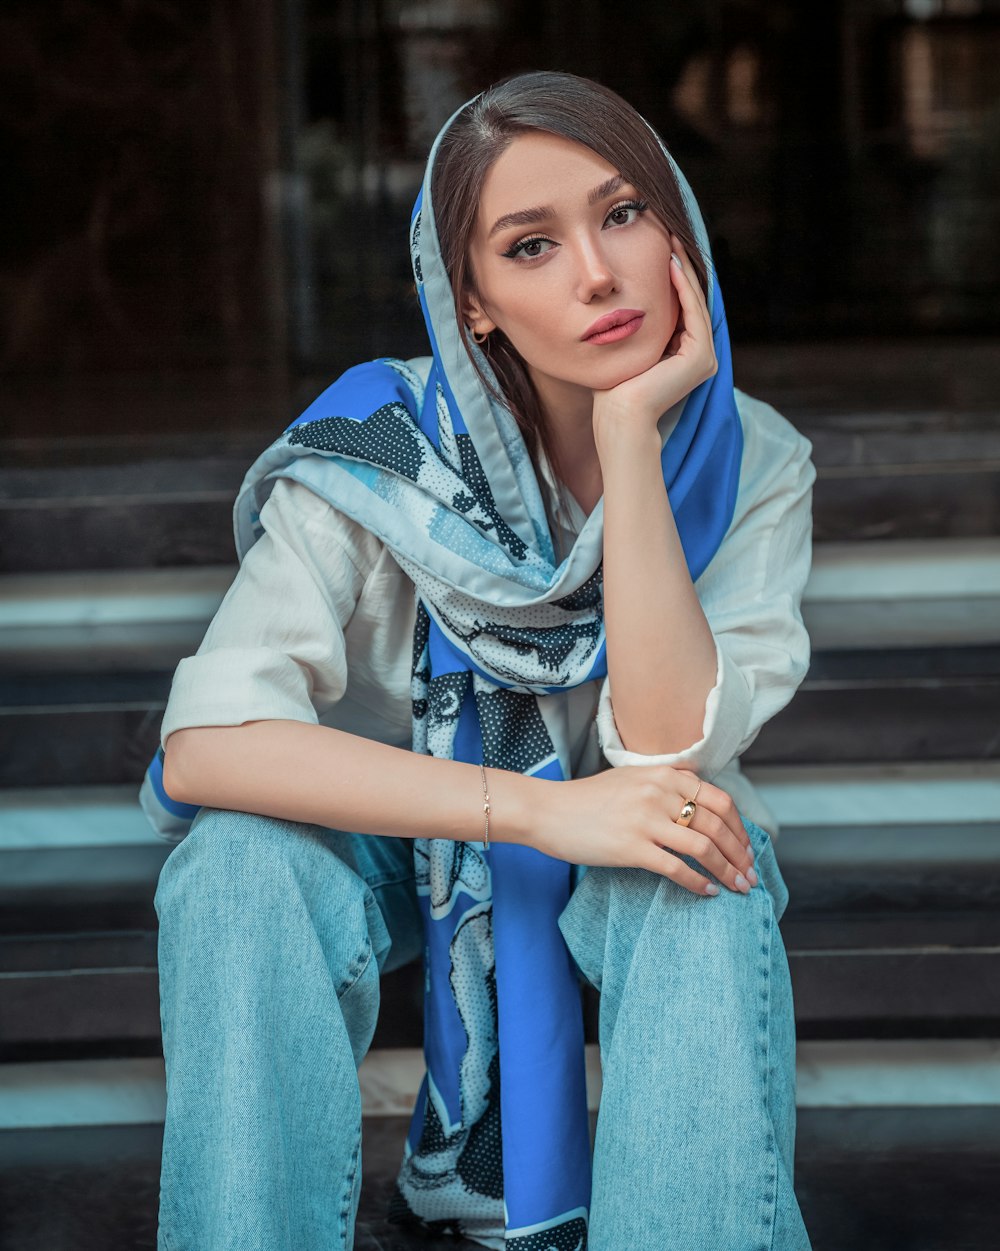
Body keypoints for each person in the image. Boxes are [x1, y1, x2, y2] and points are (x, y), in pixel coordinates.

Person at [144, 70, 815, 1251]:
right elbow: (205, 748)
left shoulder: (751, 460)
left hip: (631, 834)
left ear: (679, 229)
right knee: (237, 871)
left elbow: (666, 747)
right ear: (474, 302)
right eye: (531, 246)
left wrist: (629, 446)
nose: (597, 274)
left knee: (703, 869)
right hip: (400, 837)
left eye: (622, 214)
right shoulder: (379, 451)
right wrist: (539, 816)